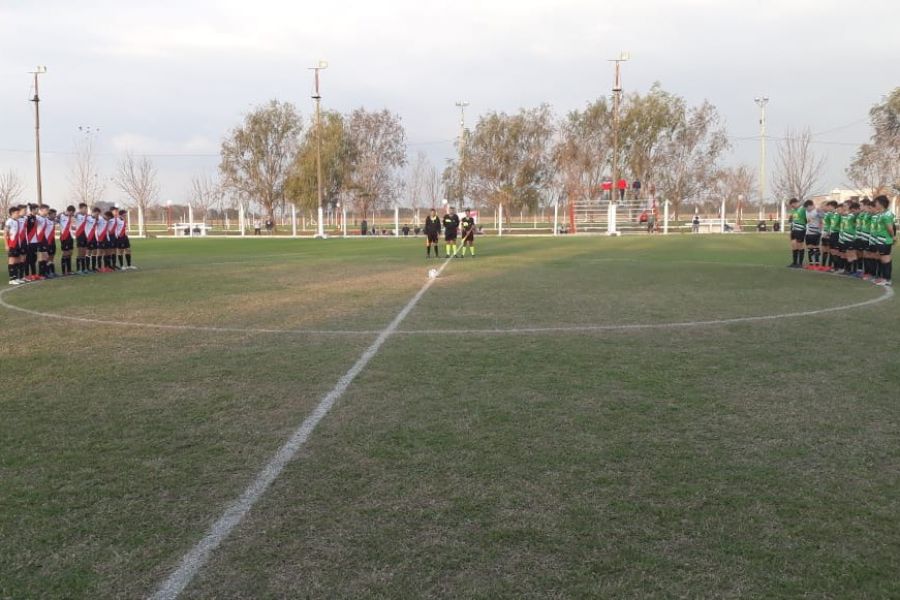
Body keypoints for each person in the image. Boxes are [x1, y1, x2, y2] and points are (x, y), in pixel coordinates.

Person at [871, 195, 895, 286]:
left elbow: (890, 228)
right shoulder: (883, 213)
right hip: (881, 240)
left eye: (876, 203)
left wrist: (893, 237)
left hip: (884, 240)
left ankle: (887, 279)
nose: (875, 204)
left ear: (881, 204)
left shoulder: (886, 215)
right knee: (884, 259)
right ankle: (885, 278)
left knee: (885, 259)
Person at [6, 205, 24, 285]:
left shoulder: (16, 221)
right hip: (12, 244)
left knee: (17, 260)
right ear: (12, 213)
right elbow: (5, 234)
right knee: (12, 261)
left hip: (17, 244)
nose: (18, 214)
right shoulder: (9, 221)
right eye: (17, 213)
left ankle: (16, 278)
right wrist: (6, 245)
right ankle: (11, 279)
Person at [804, 200, 823, 268]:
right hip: (808, 233)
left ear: (811, 206)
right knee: (809, 248)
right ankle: (811, 264)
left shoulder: (817, 211)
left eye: (807, 207)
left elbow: (822, 219)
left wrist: (820, 230)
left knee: (816, 248)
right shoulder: (806, 211)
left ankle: (817, 264)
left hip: (816, 232)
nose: (807, 209)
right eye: (806, 208)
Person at [787, 197, 806, 268]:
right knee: (794, 246)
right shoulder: (793, 210)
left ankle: (800, 263)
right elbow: (791, 220)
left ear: (795, 203)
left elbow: (807, 218)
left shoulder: (802, 209)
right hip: (794, 230)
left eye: (792, 205)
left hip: (800, 230)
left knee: (800, 246)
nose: (792, 207)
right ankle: (794, 263)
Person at [59, 205, 75, 275]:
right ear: (69, 211)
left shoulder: (71, 217)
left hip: (70, 236)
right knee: (65, 253)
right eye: (72, 213)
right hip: (64, 237)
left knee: (70, 253)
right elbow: (54, 219)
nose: (72, 214)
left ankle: (69, 270)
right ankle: (63, 271)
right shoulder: (61, 216)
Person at [74, 203, 89, 273]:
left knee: (84, 252)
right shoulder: (77, 215)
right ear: (80, 209)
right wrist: (79, 212)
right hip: (79, 235)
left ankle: (83, 269)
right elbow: (74, 215)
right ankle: (78, 269)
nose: (85, 210)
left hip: (85, 236)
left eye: (86, 208)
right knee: (80, 252)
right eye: (84, 209)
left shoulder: (87, 216)